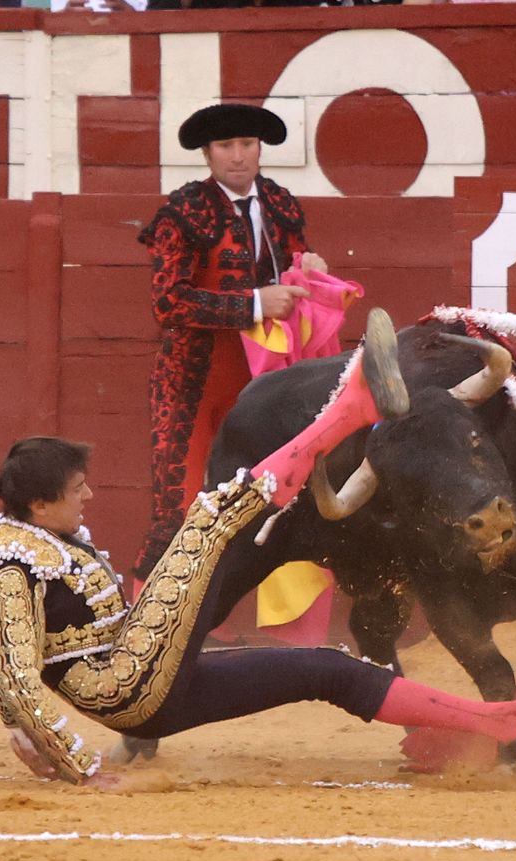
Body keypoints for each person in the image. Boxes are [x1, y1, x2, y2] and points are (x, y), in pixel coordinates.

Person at [0, 312, 516, 786]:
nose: (88, 494)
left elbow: (14, 676)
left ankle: (506, 721)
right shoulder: (12, 560)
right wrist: (80, 769)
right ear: (38, 505)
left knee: (328, 670)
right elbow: (13, 671)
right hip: (127, 682)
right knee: (210, 523)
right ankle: (346, 414)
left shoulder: (42, 537)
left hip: (147, 690)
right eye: (74, 488)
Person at [134, 103, 324, 588]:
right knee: (180, 511)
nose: (237, 157)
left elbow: (290, 270)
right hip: (192, 388)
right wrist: (255, 305)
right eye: (225, 147)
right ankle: (152, 641)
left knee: (276, 507)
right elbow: (169, 303)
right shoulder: (184, 212)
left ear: (260, 149)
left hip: (265, 385)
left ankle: (277, 644)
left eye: (246, 145)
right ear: (207, 154)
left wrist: (310, 269)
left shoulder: (281, 204)